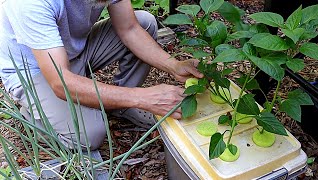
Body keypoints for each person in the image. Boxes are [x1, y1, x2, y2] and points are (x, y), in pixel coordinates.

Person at [0, 0, 203, 150]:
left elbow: (130, 28)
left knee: (144, 22)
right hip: (33, 71)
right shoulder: (29, 3)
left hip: (73, 51)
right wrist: (143, 97)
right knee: (89, 134)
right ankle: (33, 116)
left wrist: (174, 65)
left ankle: (122, 107)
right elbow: (61, 82)